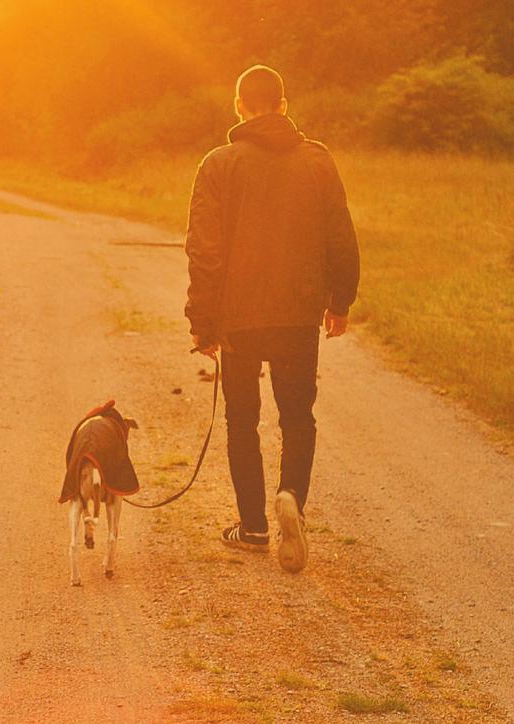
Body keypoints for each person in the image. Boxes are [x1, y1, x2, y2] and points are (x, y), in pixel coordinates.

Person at [184, 65, 360, 573]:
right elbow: (340, 237)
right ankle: (291, 500)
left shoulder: (217, 164)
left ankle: (254, 527)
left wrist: (203, 319)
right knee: (297, 416)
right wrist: (340, 301)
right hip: (299, 315)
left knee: (242, 421)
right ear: (283, 105)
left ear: (238, 105)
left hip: (237, 319)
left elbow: (204, 250)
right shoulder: (318, 162)